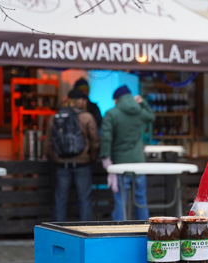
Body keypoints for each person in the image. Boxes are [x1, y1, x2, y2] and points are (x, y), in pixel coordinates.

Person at [100, 85, 154, 221]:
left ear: (116, 100)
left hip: (120, 165)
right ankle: (144, 230)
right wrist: (143, 103)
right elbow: (151, 117)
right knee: (141, 199)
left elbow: (106, 138)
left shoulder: (111, 114)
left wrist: (105, 157)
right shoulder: (139, 111)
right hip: (139, 164)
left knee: (121, 201)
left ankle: (121, 232)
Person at [44, 88, 99, 222]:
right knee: (84, 199)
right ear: (80, 101)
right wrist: (91, 157)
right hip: (83, 164)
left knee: (61, 199)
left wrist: (55, 157)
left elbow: (48, 142)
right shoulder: (87, 117)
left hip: (62, 164)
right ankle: (86, 232)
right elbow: (95, 141)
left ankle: (58, 232)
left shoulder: (55, 117)